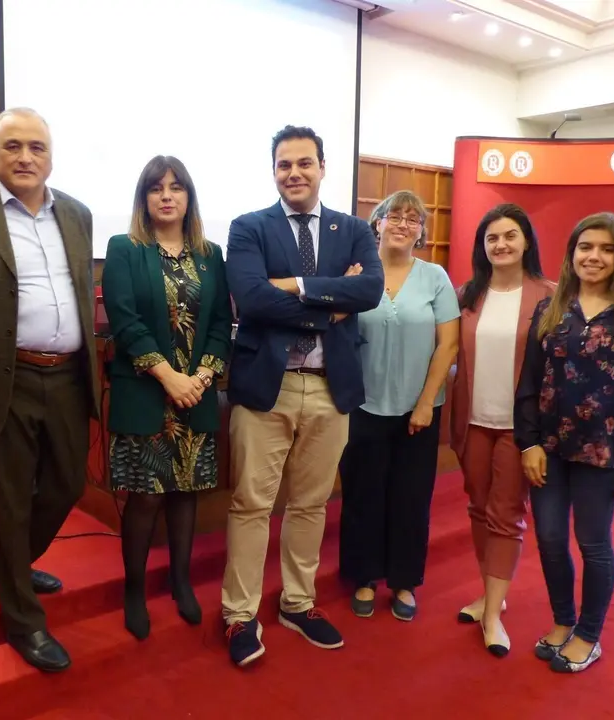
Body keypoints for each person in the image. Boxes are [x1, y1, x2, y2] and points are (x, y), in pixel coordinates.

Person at [221, 125, 384, 668]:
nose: (294, 173)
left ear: (321, 167)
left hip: (330, 387)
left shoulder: (355, 229)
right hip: (268, 387)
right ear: (274, 170)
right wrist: (333, 300)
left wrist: (292, 286)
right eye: (284, 164)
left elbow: (371, 290)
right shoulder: (248, 228)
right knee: (251, 505)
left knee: (311, 504)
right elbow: (250, 299)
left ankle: (297, 602)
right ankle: (239, 615)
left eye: (304, 163)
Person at [0, 108, 101, 672]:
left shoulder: (78, 214)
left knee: (65, 484)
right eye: (11, 146)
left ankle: (5, 564)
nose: (24, 157)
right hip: (2, 376)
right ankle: (23, 619)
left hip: (66, 374)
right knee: (9, 502)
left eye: (36, 147)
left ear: (50, 155)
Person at [515, 212, 614, 673]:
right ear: (572, 253)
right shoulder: (551, 308)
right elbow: (529, 380)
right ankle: (563, 620)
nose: (593, 256)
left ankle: (589, 633)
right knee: (551, 539)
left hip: (604, 450)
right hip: (550, 446)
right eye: (585, 247)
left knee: (593, 543)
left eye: (605, 249)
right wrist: (528, 442)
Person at [101, 156, 233, 640]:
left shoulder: (209, 253)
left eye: (176, 187)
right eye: (156, 188)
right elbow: (124, 320)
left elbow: (220, 323)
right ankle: (134, 589)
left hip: (195, 395)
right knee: (144, 499)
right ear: (144, 198)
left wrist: (200, 376)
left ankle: (181, 581)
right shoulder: (124, 248)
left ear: (188, 197)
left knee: (185, 494)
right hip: (146, 393)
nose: (166, 195)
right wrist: (168, 378)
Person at [338, 191, 459, 623]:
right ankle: (365, 576)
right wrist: (345, 289)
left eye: (413, 218)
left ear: (421, 231)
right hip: (361, 405)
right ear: (378, 222)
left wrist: (427, 402)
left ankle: (405, 580)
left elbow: (448, 344)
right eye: (395, 216)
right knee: (362, 494)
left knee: (411, 497)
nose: (403, 224)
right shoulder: (356, 272)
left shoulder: (435, 277)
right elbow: (331, 327)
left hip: (418, 409)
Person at [449, 204, 554, 656]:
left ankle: (492, 615)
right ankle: (492, 592)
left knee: (506, 514)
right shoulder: (468, 294)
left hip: (521, 427)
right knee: (476, 505)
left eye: (510, 235)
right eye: (492, 238)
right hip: (473, 419)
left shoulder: (549, 295)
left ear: (526, 240)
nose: (501, 244)